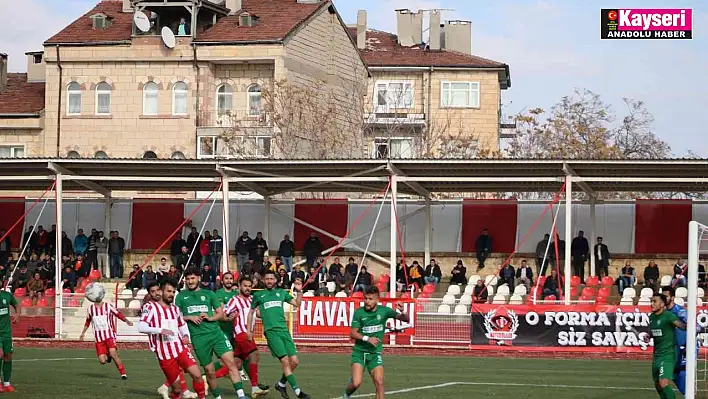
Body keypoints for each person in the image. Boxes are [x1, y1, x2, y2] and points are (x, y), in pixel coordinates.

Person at [175, 268, 247, 399]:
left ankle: (241, 396)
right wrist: (190, 317)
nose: (190, 281)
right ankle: (218, 397)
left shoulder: (209, 294)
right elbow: (175, 316)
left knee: (230, 362)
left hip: (216, 334)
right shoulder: (181, 296)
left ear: (199, 279)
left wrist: (210, 318)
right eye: (188, 279)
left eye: (193, 278)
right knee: (209, 371)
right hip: (198, 338)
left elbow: (220, 313)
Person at [247, 270, 310, 399]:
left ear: (276, 281)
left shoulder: (281, 293)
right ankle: (298, 391)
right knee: (286, 361)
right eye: (267, 278)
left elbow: (297, 304)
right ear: (263, 280)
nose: (269, 281)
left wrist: (299, 291)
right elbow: (251, 313)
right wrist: (249, 331)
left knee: (295, 361)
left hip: (284, 331)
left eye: (272, 278)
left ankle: (281, 384)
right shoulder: (259, 295)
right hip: (271, 332)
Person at [138, 281, 206, 399]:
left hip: (180, 348)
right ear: (161, 291)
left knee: (197, 375)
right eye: (169, 291)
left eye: (173, 292)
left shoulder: (175, 309)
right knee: (177, 389)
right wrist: (160, 330)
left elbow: (182, 325)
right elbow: (141, 327)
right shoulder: (150, 307)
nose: (172, 294)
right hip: (165, 353)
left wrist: (185, 336)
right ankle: (174, 394)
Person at [343, 286, 409, 399]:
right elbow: (353, 333)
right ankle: (347, 393)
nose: (367, 302)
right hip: (359, 353)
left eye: (370, 299)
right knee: (356, 383)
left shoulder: (384, 311)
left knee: (379, 382)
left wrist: (402, 311)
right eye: (366, 299)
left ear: (377, 300)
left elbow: (406, 319)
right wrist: (367, 339)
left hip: (374, 353)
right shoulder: (359, 313)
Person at [223, 276, 271, 397]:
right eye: (245, 286)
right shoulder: (234, 300)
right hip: (241, 334)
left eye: (250, 286)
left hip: (249, 334)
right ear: (239, 286)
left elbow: (258, 313)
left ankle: (207, 378)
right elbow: (224, 313)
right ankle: (255, 388)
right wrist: (229, 317)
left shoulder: (252, 299)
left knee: (236, 364)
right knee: (255, 355)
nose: (248, 288)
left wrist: (269, 311)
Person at [78, 297, 133, 379]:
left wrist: (127, 321)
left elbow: (118, 314)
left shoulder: (108, 306)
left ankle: (123, 374)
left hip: (109, 335)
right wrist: (83, 333)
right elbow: (88, 321)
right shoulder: (90, 309)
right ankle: (108, 355)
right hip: (99, 338)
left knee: (114, 354)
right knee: (102, 361)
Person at [646, 293, 685, 399]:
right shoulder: (652, 317)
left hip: (667, 355)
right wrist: (648, 336)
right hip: (657, 355)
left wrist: (690, 323)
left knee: (663, 382)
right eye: (651, 301)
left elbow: (682, 326)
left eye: (654, 301)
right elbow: (652, 331)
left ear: (662, 304)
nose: (652, 304)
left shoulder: (669, 316)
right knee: (658, 385)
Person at [213, 272, 249, 381]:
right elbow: (222, 310)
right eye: (226, 279)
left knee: (241, 355)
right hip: (222, 330)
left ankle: (244, 374)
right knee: (224, 360)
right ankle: (207, 374)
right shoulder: (218, 294)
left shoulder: (236, 293)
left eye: (230, 279)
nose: (229, 280)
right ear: (222, 281)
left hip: (234, 330)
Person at [662, 286, 696, 396]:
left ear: (672, 298)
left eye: (665, 296)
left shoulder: (680, 311)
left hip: (686, 347)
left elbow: (697, 327)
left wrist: (690, 324)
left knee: (682, 373)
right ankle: (688, 394)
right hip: (674, 348)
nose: (663, 298)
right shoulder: (664, 313)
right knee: (673, 373)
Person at [0, 289, 18, 392]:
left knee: (8, 356)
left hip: (7, 333)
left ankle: (7, 384)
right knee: (0, 354)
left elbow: (16, 305)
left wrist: (17, 314)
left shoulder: (7, 295)